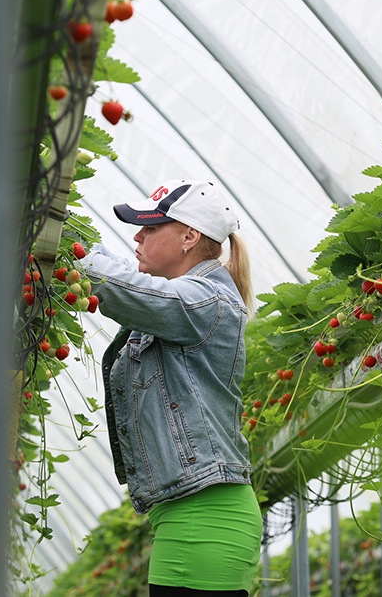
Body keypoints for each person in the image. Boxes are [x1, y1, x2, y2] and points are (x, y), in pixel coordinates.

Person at [81, 179, 261, 596]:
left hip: (206, 516)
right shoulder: (186, 301)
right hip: (189, 513)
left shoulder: (207, 302)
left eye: (149, 228)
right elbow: (132, 283)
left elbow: (125, 288)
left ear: (188, 237)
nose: (137, 237)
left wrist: (67, 243)